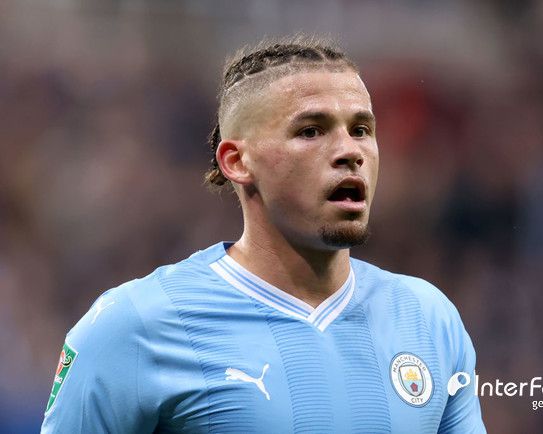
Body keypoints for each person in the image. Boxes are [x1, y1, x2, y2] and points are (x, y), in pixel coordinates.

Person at [41, 36, 486, 433]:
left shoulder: (429, 319)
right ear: (237, 162)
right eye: (311, 131)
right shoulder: (137, 324)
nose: (350, 151)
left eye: (361, 129)